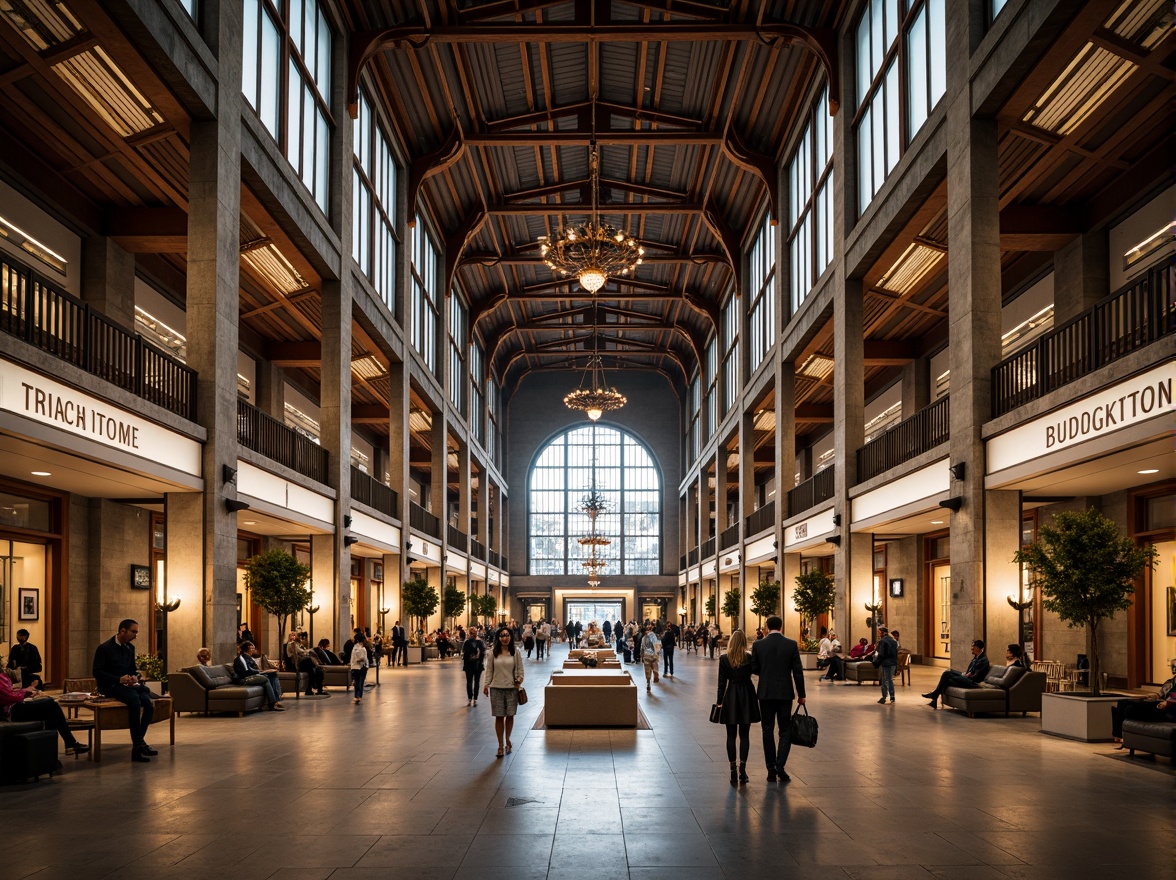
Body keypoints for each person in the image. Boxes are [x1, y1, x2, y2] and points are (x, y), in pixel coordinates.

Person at [749, 615, 806, 783]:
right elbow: (797, 671)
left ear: (767, 627)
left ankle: (770, 769)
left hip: (765, 693)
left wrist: (766, 674)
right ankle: (780, 765)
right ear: (781, 627)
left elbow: (754, 667)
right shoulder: (791, 644)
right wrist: (801, 694)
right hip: (784, 693)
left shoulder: (758, 645)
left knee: (767, 729)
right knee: (785, 729)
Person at [92, 618, 156, 763]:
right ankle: (138, 747)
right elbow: (97, 672)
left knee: (147, 701)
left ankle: (139, 742)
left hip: (128, 684)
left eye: (136, 632)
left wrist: (135, 676)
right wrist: (118, 679)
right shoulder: (104, 648)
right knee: (134, 700)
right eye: (133, 632)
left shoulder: (130, 648)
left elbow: (132, 669)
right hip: (110, 686)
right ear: (122, 631)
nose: (135, 635)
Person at [0, 669, 89, 755]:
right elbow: (9, 696)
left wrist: (26, 691)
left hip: (14, 707)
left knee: (50, 710)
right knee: (52, 706)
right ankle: (69, 744)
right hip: (11, 711)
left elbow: (9, 693)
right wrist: (25, 691)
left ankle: (51, 756)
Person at [716, 630, 760, 785]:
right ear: (743, 642)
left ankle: (732, 770)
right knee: (745, 735)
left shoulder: (724, 659)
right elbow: (758, 671)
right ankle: (743, 769)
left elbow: (721, 683)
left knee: (730, 735)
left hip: (731, 695)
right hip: (747, 695)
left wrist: (719, 701)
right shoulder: (748, 658)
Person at [484, 627, 524, 758]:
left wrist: (519, 679)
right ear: (498, 638)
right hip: (496, 688)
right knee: (499, 716)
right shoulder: (492, 653)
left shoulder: (515, 652)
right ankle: (500, 745)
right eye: (502, 636)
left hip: (511, 688)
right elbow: (489, 670)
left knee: (510, 715)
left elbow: (520, 669)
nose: (504, 638)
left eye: (507, 635)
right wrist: (486, 684)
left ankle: (508, 740)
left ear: (511, 637)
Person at [923, 640, 991, 708]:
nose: (971, 649)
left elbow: (976, 675)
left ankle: (934, 697)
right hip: (966, 677)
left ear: (978, 648)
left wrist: (968, 675)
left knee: (948, 679)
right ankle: (934, 697)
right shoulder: (976, 658)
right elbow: (970, 671)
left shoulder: (983, 660)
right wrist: (966, 674)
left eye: (973, 647)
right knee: (947, 673)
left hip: (972, 681)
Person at [1112, 675, 1176, 745]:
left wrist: (1168, 703)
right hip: (1160, 703)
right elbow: (1161, 694)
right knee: (1122, 702)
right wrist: (1152, 696)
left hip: (1168, 709)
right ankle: (1118, 735)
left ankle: (1123, 736)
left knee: (1130, 708)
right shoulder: (1171, 681)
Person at [233, 641, 285, 710]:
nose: (253, 650)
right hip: (245, 679)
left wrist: (263, 671)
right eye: (252, 648)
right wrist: (260, 672)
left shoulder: (250, 658)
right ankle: (272, 703)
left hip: (253, 675)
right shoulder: (241, 658)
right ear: (248, 649)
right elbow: (247, 671)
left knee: (273, 675)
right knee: (265, 678)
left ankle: (276, 699)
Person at [287, 631, 328, 696]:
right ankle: (318, 666)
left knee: (316, 671)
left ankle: (318, 690)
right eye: (291, 635)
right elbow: (300, 651)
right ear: (289, 637)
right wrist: (306, 651)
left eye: (294, 635)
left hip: (304, 663)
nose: (293, 637)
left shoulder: (298, 644)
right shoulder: (290, 644)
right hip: (297, 664)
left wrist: (305, 650)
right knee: (310, 659)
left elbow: (304, 650)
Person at [463, 626, 487, 706]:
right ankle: (475, 699)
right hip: (478, 665)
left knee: (469, 682)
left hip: (468, 665)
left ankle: (470, 699)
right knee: (477, 682)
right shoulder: (480, 642)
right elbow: (483, 653)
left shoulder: (466, 642)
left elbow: (464, 654)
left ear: (469, 633)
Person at [874, 626, 898, 705]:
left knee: (885, 680)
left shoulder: (882, 641)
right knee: (890, 679)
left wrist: (876, 662)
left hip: (886, 663)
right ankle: (892, 696)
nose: (878, 634)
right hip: (893, 663)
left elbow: (881, 654)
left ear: (881, 632)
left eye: (878, 632)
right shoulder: (894, 641)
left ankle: (884, 697)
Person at [640, 622, 661, 692]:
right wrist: (657, 653)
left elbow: (642, 648)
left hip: (646, 655)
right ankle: (655, 672)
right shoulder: (653, 635)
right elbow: (657, 645)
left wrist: (642, 656)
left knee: (647, 670)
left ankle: (648, 683)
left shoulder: (643, 639)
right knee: (655, 665)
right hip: (653, 655)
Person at [350, 635, 370, 704]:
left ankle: (357, 696)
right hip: (363, 667)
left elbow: (361, 658)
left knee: (357, 682)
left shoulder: (356, 648)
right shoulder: (363, 648)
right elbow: (365, 658)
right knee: (360, 682)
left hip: (357, 667)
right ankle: (359, 696)